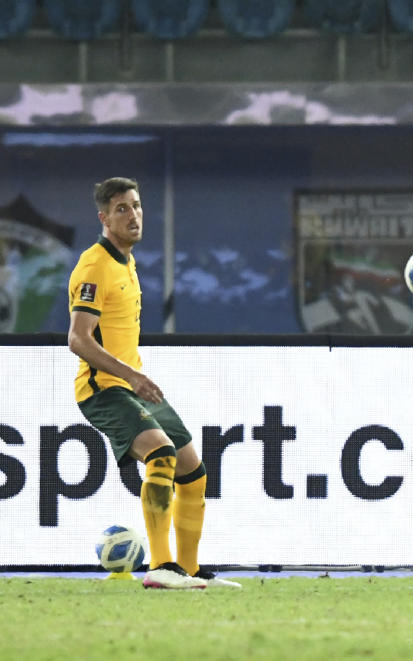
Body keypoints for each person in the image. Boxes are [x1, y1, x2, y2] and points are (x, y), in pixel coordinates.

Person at [67, 177, 240, 590]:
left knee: (193, 472)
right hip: (103, 390)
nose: (133, 215)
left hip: (133, 384)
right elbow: (78, 339)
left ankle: (191, 570)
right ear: (104, 217)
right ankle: (161, 568)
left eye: (137, 206)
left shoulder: (125, 261)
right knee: (160, 454)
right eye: (122, 208)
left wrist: (134, 377)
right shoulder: (94, 265)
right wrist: (131, 376)